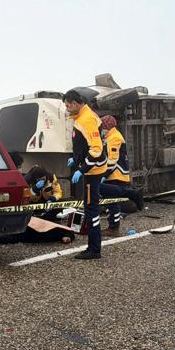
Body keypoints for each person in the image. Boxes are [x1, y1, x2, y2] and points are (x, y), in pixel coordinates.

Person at [63, 89, 107, 260]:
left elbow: (96, 149)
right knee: (92, 205)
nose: (66, 108)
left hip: (93, 171)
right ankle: (93, 247)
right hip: (92, 169)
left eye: (68, 105)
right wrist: (76, 159)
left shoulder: (86, 119)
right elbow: (84, 144)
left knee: (91, 210)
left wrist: (82, 170)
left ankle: (94, 249)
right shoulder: (81, 117)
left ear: (75, 103)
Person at [98, 115, 144, 237]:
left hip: (116, 175)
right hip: (115, 174)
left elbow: (112, 160)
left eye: (102, 127)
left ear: (107, 126)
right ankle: (113, 227)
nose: (101, 129)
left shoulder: (114, 138)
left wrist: (103, 174)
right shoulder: (110, 137)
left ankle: (113, 228)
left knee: (112, 202)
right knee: (112, 202)